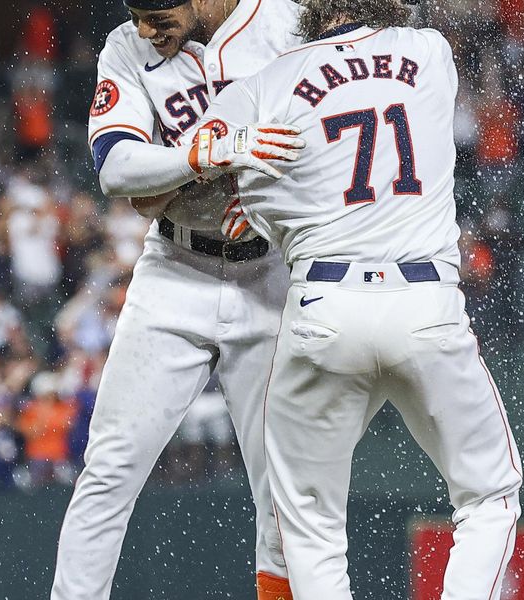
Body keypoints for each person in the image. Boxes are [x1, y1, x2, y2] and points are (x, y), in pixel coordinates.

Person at [199, 0, 524, 598]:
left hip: (322, 307)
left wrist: (257, 203)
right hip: (424, 303)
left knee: (310, 526)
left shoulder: (264, 85)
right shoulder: (430, 52)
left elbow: (204, 157)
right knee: (488, 496)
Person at [51, 1, 304, 598]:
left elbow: (331, 131)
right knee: (109, 468)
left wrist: (277, 200)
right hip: (174, 269)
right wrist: (201, 157)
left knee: (285, 490)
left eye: (157, 10)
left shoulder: (288, 22)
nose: (144, 27)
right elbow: (115, 166)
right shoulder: (125, 48)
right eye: (134, 10)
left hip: (272, 274)